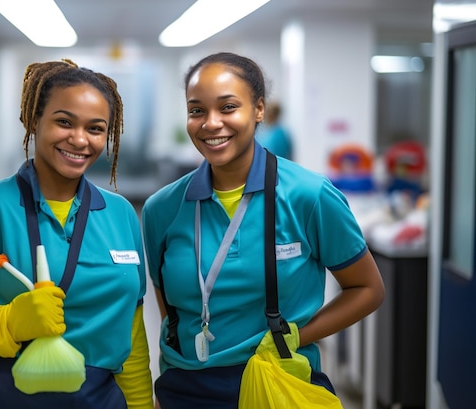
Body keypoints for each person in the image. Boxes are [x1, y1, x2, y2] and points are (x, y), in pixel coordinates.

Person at [141, 52, 384, 408]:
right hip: (185, 390)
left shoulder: (308, 195)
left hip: (280, 384)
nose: (211, 123)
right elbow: (172, 311)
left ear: (258, 110)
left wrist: (295, 336)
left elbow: (367, 289)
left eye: (227, 108)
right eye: (196, 110)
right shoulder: (161, 209)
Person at [0, 59, 153, 409]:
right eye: (64, 122)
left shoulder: (121, 215)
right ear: (34, 120)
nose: (79, 139)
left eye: (96, 128)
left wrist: (140, 404)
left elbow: (132, 336)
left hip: (98, 399)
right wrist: (11, 323)